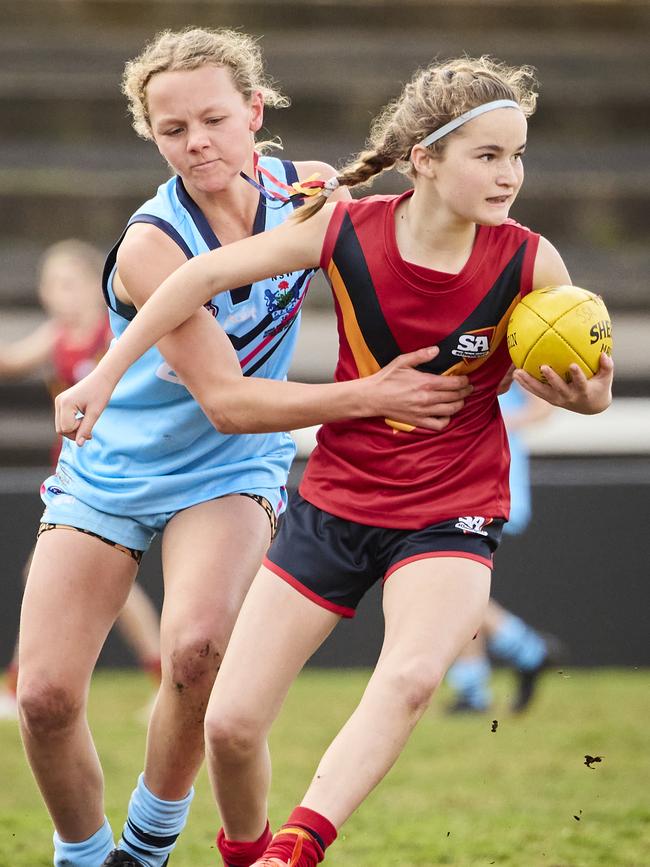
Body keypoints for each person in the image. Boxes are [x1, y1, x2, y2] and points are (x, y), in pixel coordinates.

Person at [56, 56, 614, 867]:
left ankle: (296, 848)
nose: (510, 177)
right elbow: (197, 278)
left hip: (454, 503)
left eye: (518, 155)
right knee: (231, 724)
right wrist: (103, 375)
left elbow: (589, 396)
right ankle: (250, 854)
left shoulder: (534, 266)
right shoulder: (348, 230)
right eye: (488, 156)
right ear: (424, 159)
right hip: (340, 500)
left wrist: (584, 396)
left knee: (413, 674)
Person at [16, 29, 470, 867]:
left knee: (197, 650)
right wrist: (371, 396)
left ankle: (145, 848)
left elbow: (402, 256)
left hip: (227, 474)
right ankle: (83, 856)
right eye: (172, 129)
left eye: (215, 120)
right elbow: (225, 401)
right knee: (43, 697)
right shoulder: (158, 241)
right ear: (151, 134)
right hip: (115, 471)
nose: (196, 144)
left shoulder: (302, 193)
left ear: (255, 111)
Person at [0, 240, 161, 721]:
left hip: (115, 476)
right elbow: (9, 363)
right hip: (74, 478)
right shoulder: (57, 336)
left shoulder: (115, 335)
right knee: (54, 575)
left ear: (96, 285)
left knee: (99, 582)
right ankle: (18, 685)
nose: (56, 295)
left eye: (67, 283)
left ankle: (160, 674)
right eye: (49, 284)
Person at [446, 383, 562, 714]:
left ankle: (525, 650)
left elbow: (543, 408)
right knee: (457, 584)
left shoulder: (514, 347)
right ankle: (473, 687)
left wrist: (490, 424)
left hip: (491, 479)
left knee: (457, 585)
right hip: (461, 477)